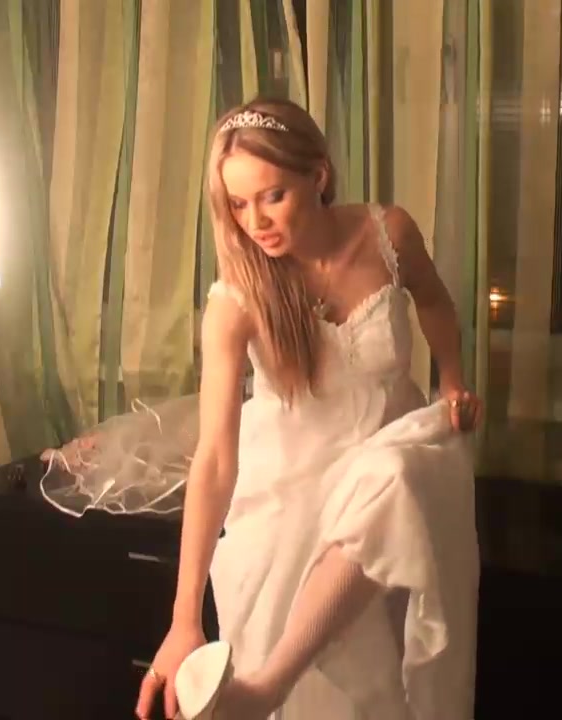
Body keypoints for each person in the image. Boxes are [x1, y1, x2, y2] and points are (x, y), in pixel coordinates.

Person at [127, 97, 482, 719]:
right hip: (294, 479)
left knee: (391, 478)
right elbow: (214, 461)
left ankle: (269, 686)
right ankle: (269, 689)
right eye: (238, 204)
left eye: (272, 196)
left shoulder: (389, 234)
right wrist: (184, 620)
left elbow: (433, 301)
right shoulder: (235, 300)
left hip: (394, 449)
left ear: (318, 175)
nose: (255, 221)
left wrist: (452, 381)